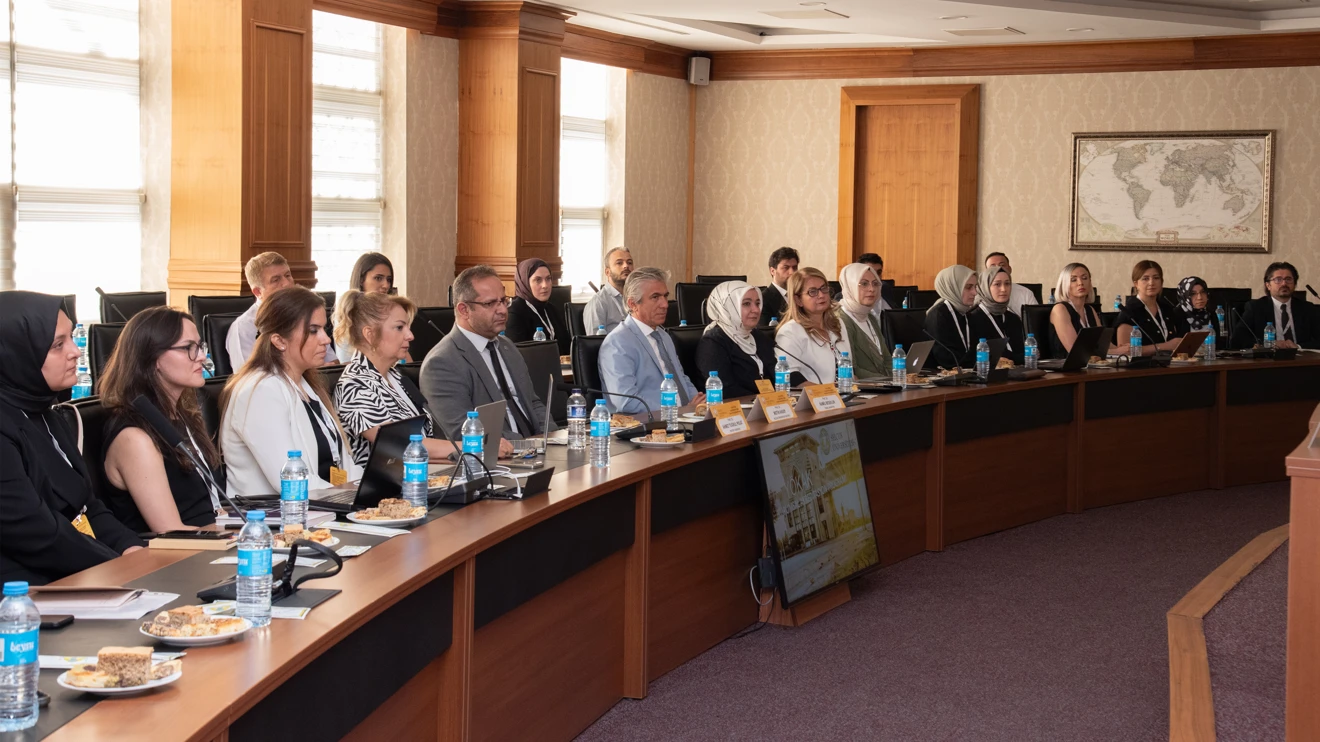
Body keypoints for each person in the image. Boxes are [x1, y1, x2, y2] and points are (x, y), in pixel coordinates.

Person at [0, 291, 144, 584]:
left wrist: (132, 549)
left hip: (75, 571)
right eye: (58, 344)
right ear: (17, 352)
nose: (75, 351)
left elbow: (87, 506)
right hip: (23, 590)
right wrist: (116, 565)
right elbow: (35, 533)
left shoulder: (45, 413)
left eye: (72, 337)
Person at [219, 286, 363, 496]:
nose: (326, 339)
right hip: (277, 513)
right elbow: (291, 481)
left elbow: (343, 465)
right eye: (313, 330)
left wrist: (372, 487)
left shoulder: (305, 384)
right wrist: (355, 494)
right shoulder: (260, 392)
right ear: (279, 341)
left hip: (323, 504)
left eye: (324, 329)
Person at [99, 307, 225, 533]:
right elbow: (171, 533)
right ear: (153, 358)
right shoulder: (134, 438)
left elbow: (206, 508)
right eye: (188, 348)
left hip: (212, 538)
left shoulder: (180, 415)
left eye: (200, 346)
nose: (202, 356)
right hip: (182, 551)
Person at [419, 265, 547, 446]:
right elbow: (461, 431)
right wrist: (526, 444)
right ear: (464, 310)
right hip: (497, 456)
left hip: (536, 449)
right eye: (490, 304)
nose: (502, 310)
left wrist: (551, 436)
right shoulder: (442, 363)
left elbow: (532, 403)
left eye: (504, 301)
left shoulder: (507, 347)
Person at [332, 290, 457, 466]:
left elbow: (416, 454)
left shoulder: (397, 378)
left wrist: (460, 457)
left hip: (419, 475)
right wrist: (471, 446)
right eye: (399, 327)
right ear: (370, 334)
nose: (410, 336)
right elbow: (400, 444)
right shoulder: (354, 385)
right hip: (379, 482)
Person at [598, 267, 704, 413]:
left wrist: (698, 404)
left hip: (684, 416)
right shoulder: (617, 343)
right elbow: (626, 401)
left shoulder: (663, 335)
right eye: (655, 297)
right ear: (633, 304)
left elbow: (681, 379)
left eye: (665, 296)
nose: (665, 304)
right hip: (649, 423)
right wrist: (678, 411)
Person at [695, 281, 777, 399]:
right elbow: (726, 389)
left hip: (766, 404)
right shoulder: (713, 342)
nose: (756, 310)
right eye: (747, 304)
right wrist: (764, 399)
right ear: (728, 307)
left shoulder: (757, 335)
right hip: (736, 407)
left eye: (757, 303)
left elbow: (776, 373)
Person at [775, 267, 851, 385]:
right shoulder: (790, 331)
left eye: (824, 289)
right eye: (813, 292)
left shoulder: (837, 324)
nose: (821, 295)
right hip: (813, 396)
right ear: (798, 300)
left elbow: (848, 369)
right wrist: (826, 392)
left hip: (845, 393)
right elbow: (790, 376)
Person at [226, 251, 295, 368]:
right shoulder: (243, 327)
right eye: (276, 280)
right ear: (258, 292)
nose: (286, 284)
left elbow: (328, 363)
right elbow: (248, 375)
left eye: (288, 276)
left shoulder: (305, 314)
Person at [1233, 262, 1318, 349]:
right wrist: (1268, 345)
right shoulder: (1255, 308)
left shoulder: (1308, 308)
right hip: (1268, 356)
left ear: (1294, 284)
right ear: (1268, 285)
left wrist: (1298, 346)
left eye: (1288, 279)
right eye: (1278, 279)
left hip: (1301, 356)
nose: (1284, 283)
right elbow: (1238, 339)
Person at [334, 252, 400, 362]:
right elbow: (346, 361)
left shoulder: (393, 310)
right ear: (361, 280)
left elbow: (405, 360)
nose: (386, 285)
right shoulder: (348, 309)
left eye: (388, 280)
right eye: (378, 278)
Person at [1116, 260, 1188, 355]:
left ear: (1161, 282)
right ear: (1136, 284)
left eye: (1156, 278)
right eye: (1145, 279)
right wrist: (1165, 346)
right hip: (1143, 363)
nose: (1151, 283)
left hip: (1172, 362)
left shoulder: (1167, 309)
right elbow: (1125, 352)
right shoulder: (1129, 312)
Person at [836, 263, 893, 378]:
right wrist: (887, 380)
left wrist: (901, 376)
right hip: (864, 386)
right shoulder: (841, 319)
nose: (871, 289)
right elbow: (852, 369)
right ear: (850, 286)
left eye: (875, 283)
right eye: (864, 284)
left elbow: (886, 358)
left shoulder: (869, 316)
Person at [1049, 263, 1114, 358]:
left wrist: (1125, 349)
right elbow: (1076, 351)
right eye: (1073, 280)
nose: (1080, 283)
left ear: (1090, 283)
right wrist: (1116, 352)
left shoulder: (1090, 309)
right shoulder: (1060, 309)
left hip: (1092, 365)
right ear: (1064, 284)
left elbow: (1104, 343)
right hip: (1066, 366)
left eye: (1084, 278)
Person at [505, 257, 569, 351]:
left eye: (548, 279)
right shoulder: (514, 313)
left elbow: (568, 346)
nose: (545, 285)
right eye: (538, 280)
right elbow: (517, 353)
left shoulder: (552, 310)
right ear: (525, 282)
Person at [968, 264, 1027, 365]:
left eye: (1007, 284)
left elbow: (1023, 350)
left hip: (1019, 371)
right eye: (997, 284)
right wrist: (1021, 357)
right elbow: (986, 356)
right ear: (985, 287)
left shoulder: (1013, 318)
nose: (1004, 289)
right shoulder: (972, 319)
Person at [923, 265, 979, 369]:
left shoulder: (967, 313)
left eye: (975, 287)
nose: (975, 292)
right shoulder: (938, 315)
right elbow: (946, 359)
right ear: (953, 287)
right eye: (968, 287)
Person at [583, 247, 633, 334]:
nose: (626, 266)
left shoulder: (638, 297)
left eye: (629, 262)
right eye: (619, 263)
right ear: (607, 272)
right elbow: (595, 341)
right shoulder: (598, 303)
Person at [984, 252, 1040, 316]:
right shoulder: (979, 296)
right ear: (985, 273)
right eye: (992, 267)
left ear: (1010, 269)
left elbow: (1035, 319)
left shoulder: (1025, 293)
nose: (998, 269)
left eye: (1002, 265)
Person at [760, 246, 799, 325]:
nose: (792, 272)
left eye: (794, 267)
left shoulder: (801, 295)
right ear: (772, 271)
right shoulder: (763, 300)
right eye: (786, 268)